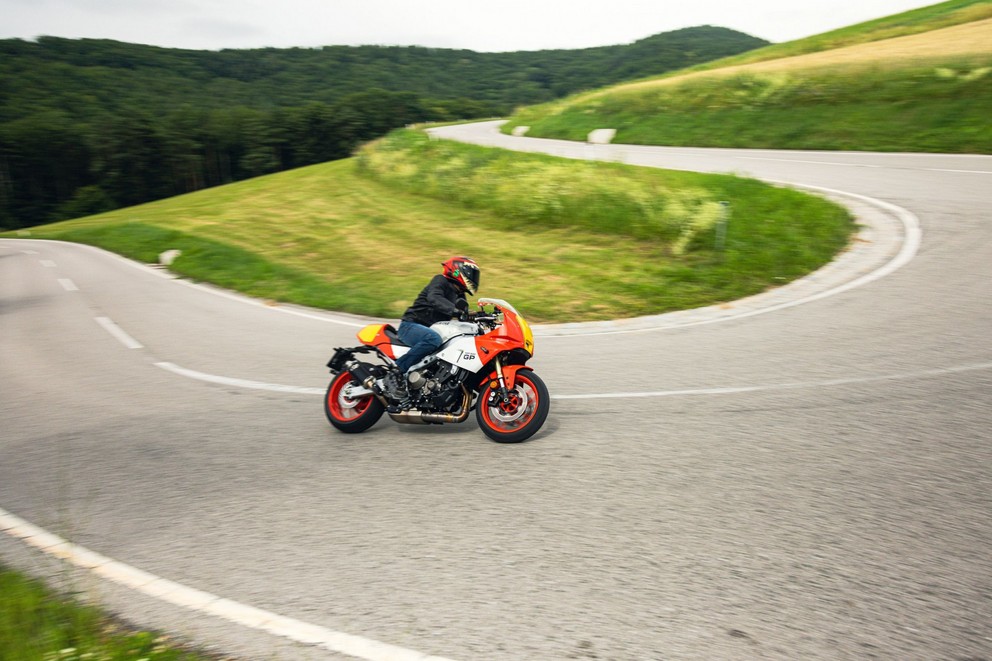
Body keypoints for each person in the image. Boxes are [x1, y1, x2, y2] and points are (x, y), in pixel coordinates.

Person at [376, 256, 481, 405]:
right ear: (458, 271)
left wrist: (477, 318)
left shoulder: (459, 295)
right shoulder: (441, 281)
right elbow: (435, 298)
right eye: (471, 273)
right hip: (411, 326)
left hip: (431, 330)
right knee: (433, 339)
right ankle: (395, 372)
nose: (474, 278)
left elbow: (463, 317)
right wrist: (456, 311)